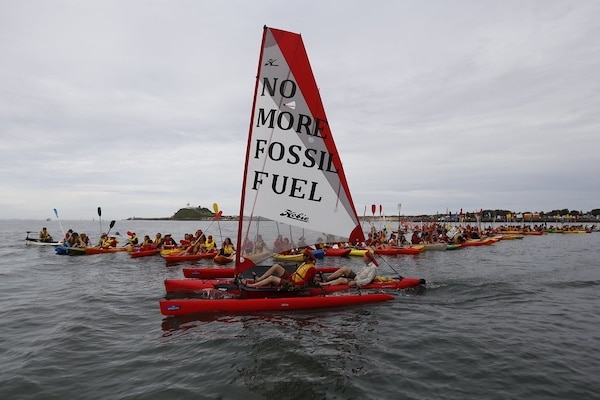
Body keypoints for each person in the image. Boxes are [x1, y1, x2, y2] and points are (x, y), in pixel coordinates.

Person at [245, 250, 316, 288]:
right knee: (276, 266)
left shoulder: (311, 268)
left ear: (308, 257)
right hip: (290, 278)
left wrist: (292, 284)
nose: (302, 257)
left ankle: (252, 286)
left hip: (293, 283)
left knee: (272, 278)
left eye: (304, 256)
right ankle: (259, 279)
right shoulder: (304, 263)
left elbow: (305, 283)